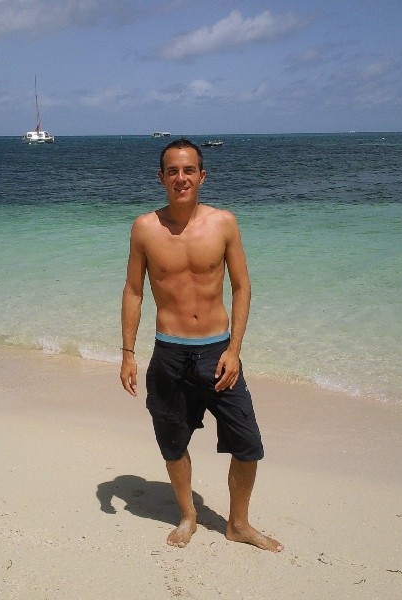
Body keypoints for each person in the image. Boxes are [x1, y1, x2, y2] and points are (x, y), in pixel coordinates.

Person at [119, 138, 282, 552]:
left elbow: (243, 287)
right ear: (161, 178)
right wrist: (127, 354)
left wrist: (234, 350)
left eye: (188, 170)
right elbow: (134, 291)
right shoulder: (144, 228)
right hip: (168, 355)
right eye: (172, 171)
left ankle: (238, 523)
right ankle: (188, 514)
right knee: (172, 442)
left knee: (247, 444)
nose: (181, 178)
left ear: (202, 176)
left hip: (218, 353)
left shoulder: (224, 223)